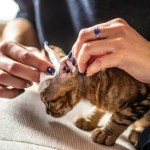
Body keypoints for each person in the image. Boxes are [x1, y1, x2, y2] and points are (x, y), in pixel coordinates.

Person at [0, 0, 150, 149]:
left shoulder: (113, 86)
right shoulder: (99, 87)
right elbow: (27, 15)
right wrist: (13, 48)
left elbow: (136, 99)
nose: (48, 110)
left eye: (50, 103)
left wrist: (110, 130)